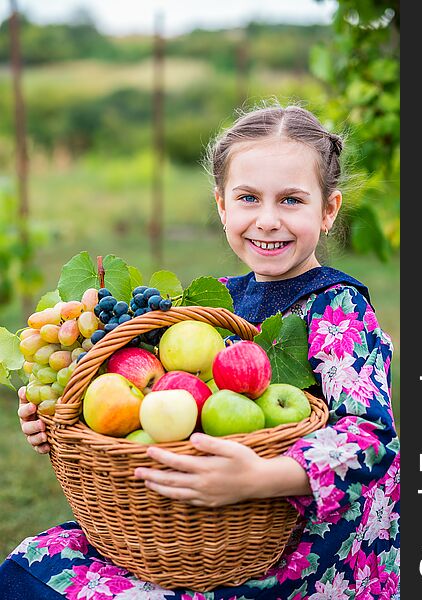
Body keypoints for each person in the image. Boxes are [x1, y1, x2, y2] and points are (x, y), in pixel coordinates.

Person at [1, 103, 400, 599]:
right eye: (248, 198)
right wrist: (61, 420)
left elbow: (372, 438)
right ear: (222, 206)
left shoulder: (336, 306)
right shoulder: (213, 301)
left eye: (292, 200)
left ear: (328, 210)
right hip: (195, 529)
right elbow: (150, 404)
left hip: (300, 548)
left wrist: (259, 478)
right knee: (28, 568)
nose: (268, 220)